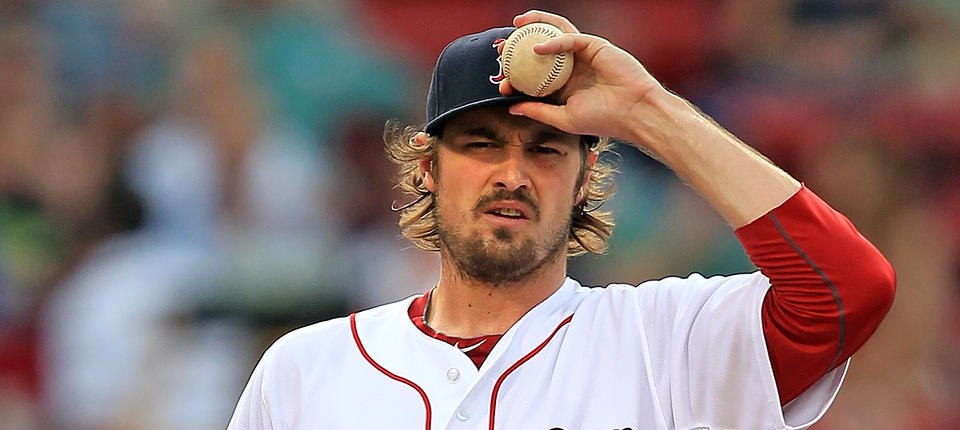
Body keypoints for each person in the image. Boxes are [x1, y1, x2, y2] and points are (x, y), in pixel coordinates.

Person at [227, 10, 895, 430]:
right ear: (427, 169)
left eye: (545, 149)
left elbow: (848, 290)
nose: (513, 173)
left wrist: (647, 112)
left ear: (583, 182)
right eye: (481, 144)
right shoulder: (307, 370)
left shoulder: (665, 342)